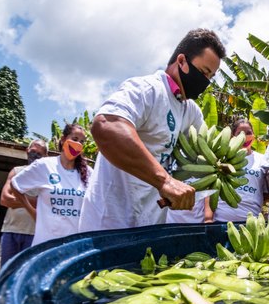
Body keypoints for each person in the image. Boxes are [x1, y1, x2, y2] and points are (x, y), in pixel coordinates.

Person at [79, 29, 225, 232]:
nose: (205, 82)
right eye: (202, 72)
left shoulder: (190, 111)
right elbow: (106, 125)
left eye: (210, 76)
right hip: (110, 222)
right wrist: (165, 181)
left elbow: (206, 155)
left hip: (151, 224)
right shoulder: (147, 89)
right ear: (181, 61)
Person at [11, 124, 93, 246]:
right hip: (46, 244)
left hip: (75, 245)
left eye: (82, 141)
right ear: (63, 139)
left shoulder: (88, 172)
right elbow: (15, 185)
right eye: (74, 139)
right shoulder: (44, 165)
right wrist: (32, 211)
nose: (78, 144)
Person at [0, 139, 48, 267]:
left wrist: (18, 198)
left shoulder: (47, 177)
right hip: (11, 230)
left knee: (26, 272)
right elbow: (4, 200)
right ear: (27, 151)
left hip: (35, 233)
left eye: (40, 153)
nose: (35, 155)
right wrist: (32, 202)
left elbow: (46, 204)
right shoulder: (16, 171)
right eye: (33, 151)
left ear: (45, 157)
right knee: (7, 272)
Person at [212, 118, 266, 222]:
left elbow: (265, 192)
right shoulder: (222, 158)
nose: (244, 137)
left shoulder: (263, 160)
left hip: (251, 220)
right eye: (240, 133)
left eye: (248, 133)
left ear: (254, 135)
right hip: (221, 218)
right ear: (233, 136)